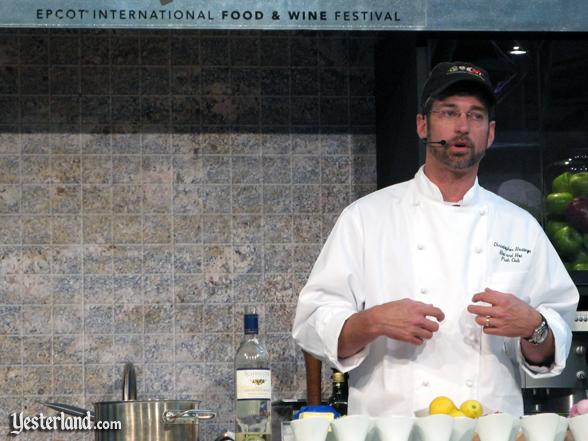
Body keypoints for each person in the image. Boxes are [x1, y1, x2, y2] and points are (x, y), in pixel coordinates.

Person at [292, 61, 579, 417]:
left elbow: (551, 341)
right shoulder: (366, 218)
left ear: (489, 134)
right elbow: (311, 324)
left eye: (475, 116)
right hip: (391, 431)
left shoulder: (520, 227)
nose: (462, 127)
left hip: (488, 430)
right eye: (448, 112)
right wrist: (372, 321)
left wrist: (534, 327)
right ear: (422, 125)